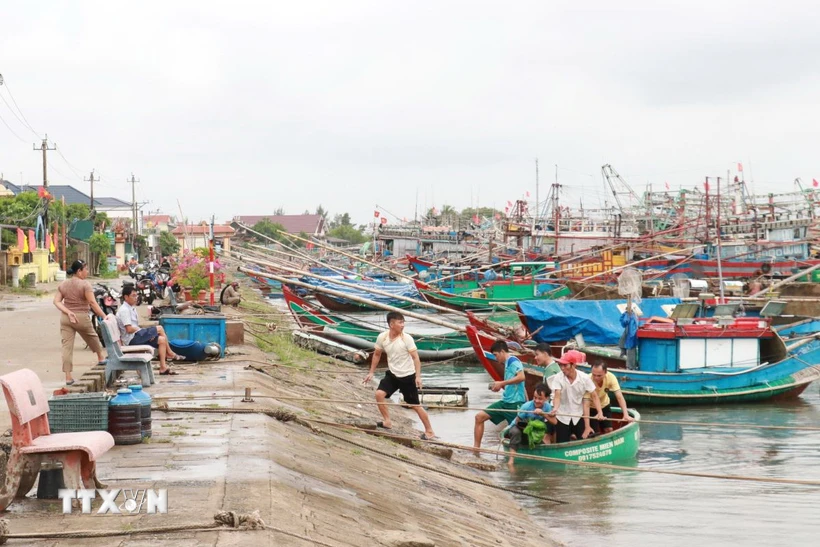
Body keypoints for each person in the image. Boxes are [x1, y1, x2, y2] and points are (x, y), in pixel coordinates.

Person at [363, 311, 435, 440]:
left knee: (414, 405)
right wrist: (371, 372)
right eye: (400, 322)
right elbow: (377, 354)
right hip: (392, 374)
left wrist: (418, 376)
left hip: (407, 376)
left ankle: (429, 431)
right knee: (379, 394)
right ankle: (387, 422)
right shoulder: (382, 337)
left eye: (403, 322)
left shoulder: (406, 338)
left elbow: (415, 358)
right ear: (391, 324)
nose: (403, 325)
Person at [53, 260, 108, 385]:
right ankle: (100, 357)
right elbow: (93, 303)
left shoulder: (64, 284)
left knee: (67, 347)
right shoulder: (85, 285)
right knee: (92, 336)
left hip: (66, 318)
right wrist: (104, 316)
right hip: (81, 317)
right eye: (86, 269)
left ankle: (68, 377)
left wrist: (68, 312)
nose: (87, 272)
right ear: (79, 271)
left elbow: (56, 301)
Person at [473, 340, 526, 452]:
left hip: (515, 404)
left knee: (520, 433)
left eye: (496, 355)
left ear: (502, 351)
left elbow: (521, 377)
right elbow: (520, 385)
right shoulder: (507, 363)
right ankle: (476, 449)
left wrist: (501, 383)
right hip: (505, 402)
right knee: (479, 417)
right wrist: (500, 386)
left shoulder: (513, 361)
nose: (495, 358)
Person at [117, 285, 179, 375]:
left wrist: (144, 332)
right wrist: (142, 330)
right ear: (126, 297)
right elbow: (129, 329)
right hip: (132, 339)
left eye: (136, 295)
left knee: (161, 340)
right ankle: (169, 352)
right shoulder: (124, 310)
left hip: (137, 336)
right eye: (133, 296)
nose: (136, 298)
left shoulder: (130, 308)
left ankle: (163, 368)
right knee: (160, 328)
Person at [548, 349, 604, 443]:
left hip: (578, 415)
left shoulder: (584, 378)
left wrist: (600, 412)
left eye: (565, 365)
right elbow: (557, 395)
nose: (562, 368)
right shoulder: (558, 377)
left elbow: (594, 396)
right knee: (562, 443)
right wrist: (555, 408)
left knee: (583, 442)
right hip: (562, 416)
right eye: (561, 365)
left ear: (573, 365)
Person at [504, 383, 557, 469]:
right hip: (519, 427)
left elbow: (554, 422)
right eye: (535, 398)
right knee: (515, 432)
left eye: (540, 399)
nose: (536, 401)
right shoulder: (527, 406)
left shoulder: (547, 407)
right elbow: (517, 421)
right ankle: (511, 460)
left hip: (533, 431)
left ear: (546, 398)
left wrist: (543, 414)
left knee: (541, 441)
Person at [589, 362, 633, 433]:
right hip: (591, 407)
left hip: (605, 405)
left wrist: (625, 414)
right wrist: (599, 412)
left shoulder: (611, 377)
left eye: (599, 375)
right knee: (595, 433)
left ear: (605, 372)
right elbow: (594, 397)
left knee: (609, 429)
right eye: (594, 375)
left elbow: (619, 396)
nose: (596, 378)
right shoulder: (588, 379)